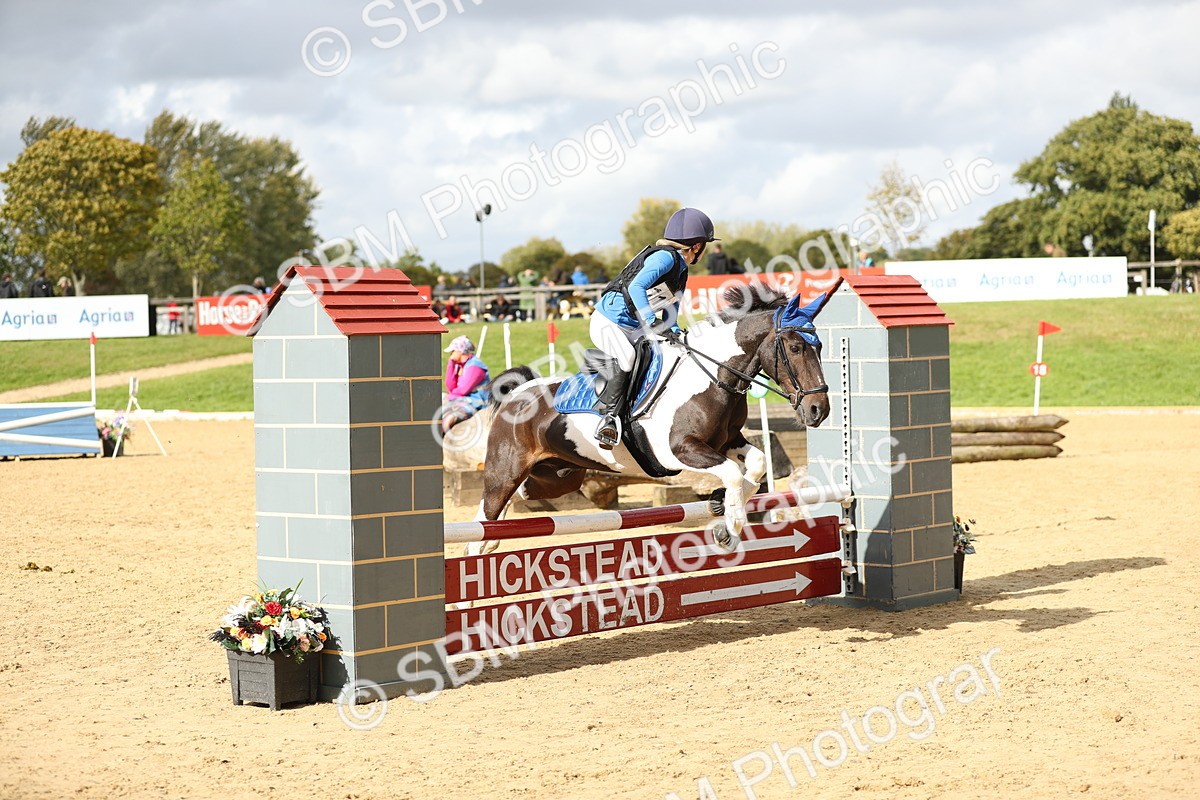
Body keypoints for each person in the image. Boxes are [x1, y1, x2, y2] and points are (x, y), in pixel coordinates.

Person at [589, 207, 717, 448]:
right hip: (607, 322)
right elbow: (636, 287)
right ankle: (608, 419)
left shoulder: (680, 269)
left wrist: (677, 333)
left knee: (671, 354)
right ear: (698, 246)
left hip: (633, 327)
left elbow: (671, 311)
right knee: (627, 358)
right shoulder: (664, 258)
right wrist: (650, 320)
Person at [442, 335, 491, 432]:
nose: (451, 354)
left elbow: (463, 390)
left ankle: (436, 439)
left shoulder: (475, 367)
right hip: (465, 399)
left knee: (450, 418)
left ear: (460, 351)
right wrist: (451, 363)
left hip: (478, 401)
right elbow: (450, 387)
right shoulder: (459, 365)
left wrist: (451, 396)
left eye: (453, 351)